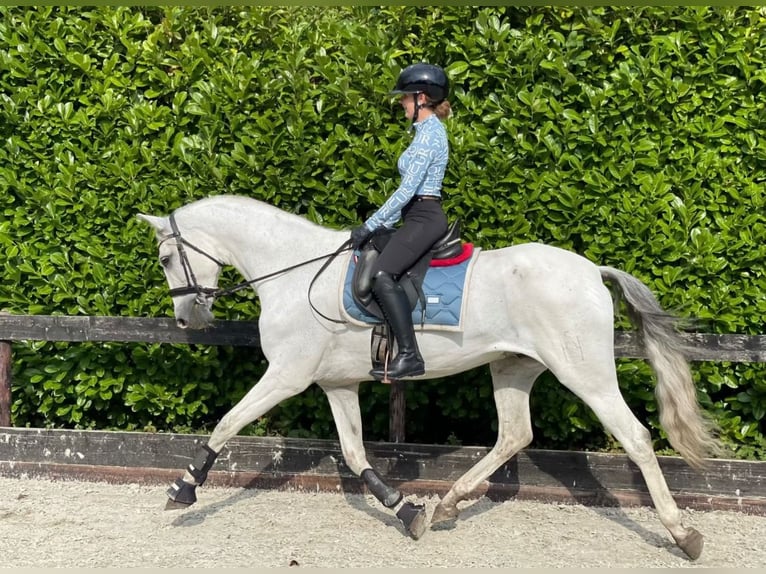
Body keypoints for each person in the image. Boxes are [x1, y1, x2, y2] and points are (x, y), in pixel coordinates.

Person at [349, 62, 452, 381]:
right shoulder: (424, 132)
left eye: (405, 98)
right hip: (416, 216)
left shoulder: (430, 134)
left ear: (422, 98)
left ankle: (410, 355)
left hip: (425, 216)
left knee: (381, 275)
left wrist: (371, 223)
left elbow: (408, 190)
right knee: (375, 246)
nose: (401, 103)